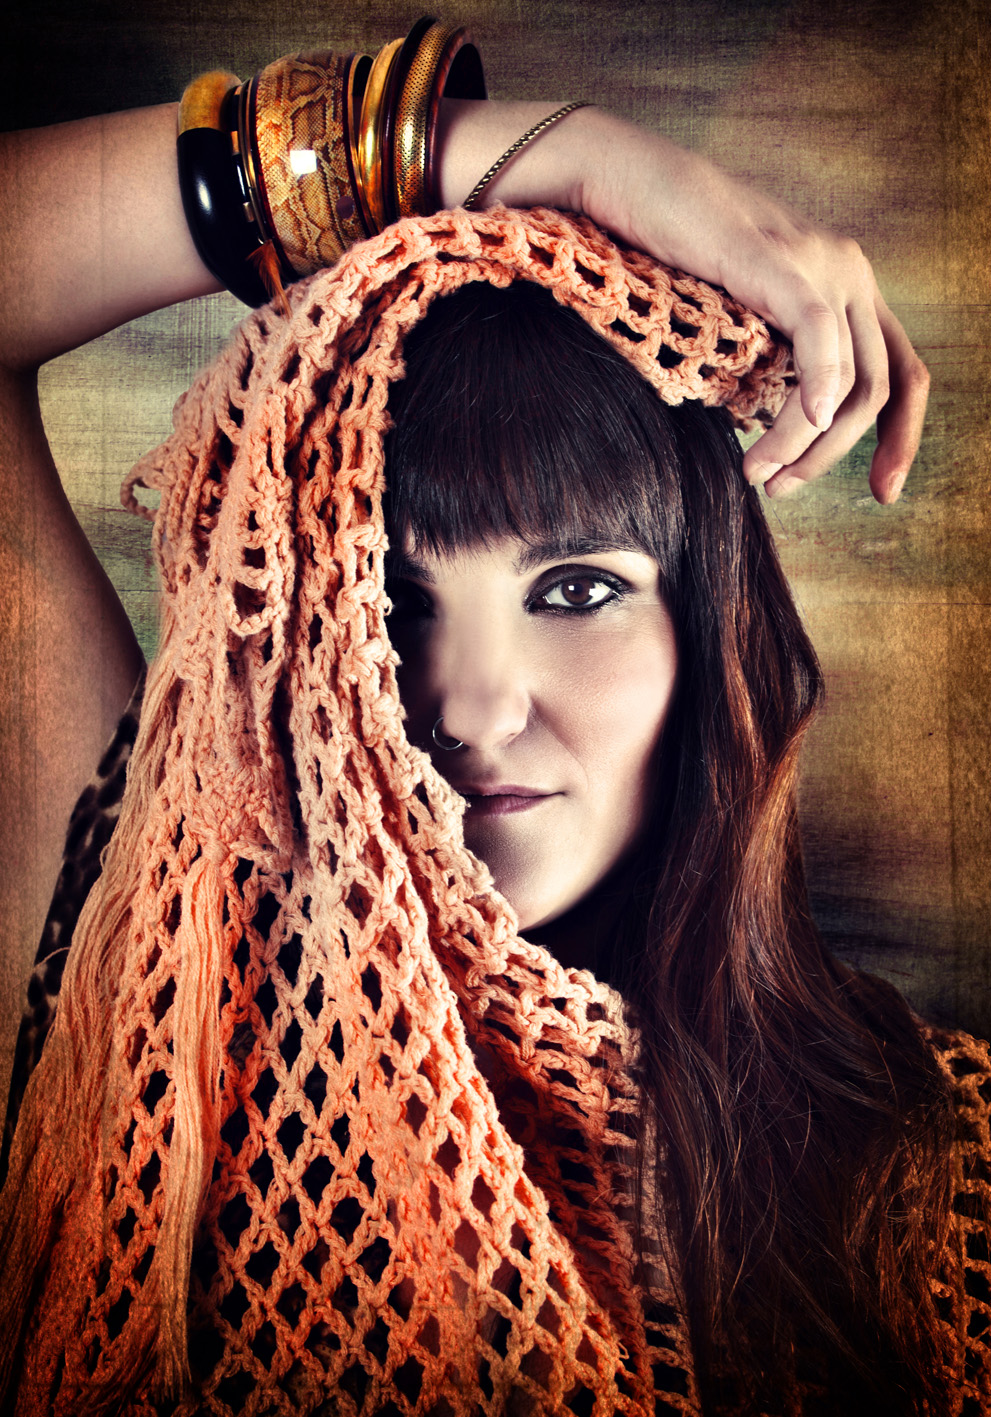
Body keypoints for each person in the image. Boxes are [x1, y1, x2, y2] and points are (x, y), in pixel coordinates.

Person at [1, 23, 975, 1417]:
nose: (468, 707)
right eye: (385, 601)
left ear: (715, 635)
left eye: (576, 589)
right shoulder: (140, 1003)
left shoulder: (946, 1165)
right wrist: (540, 153)